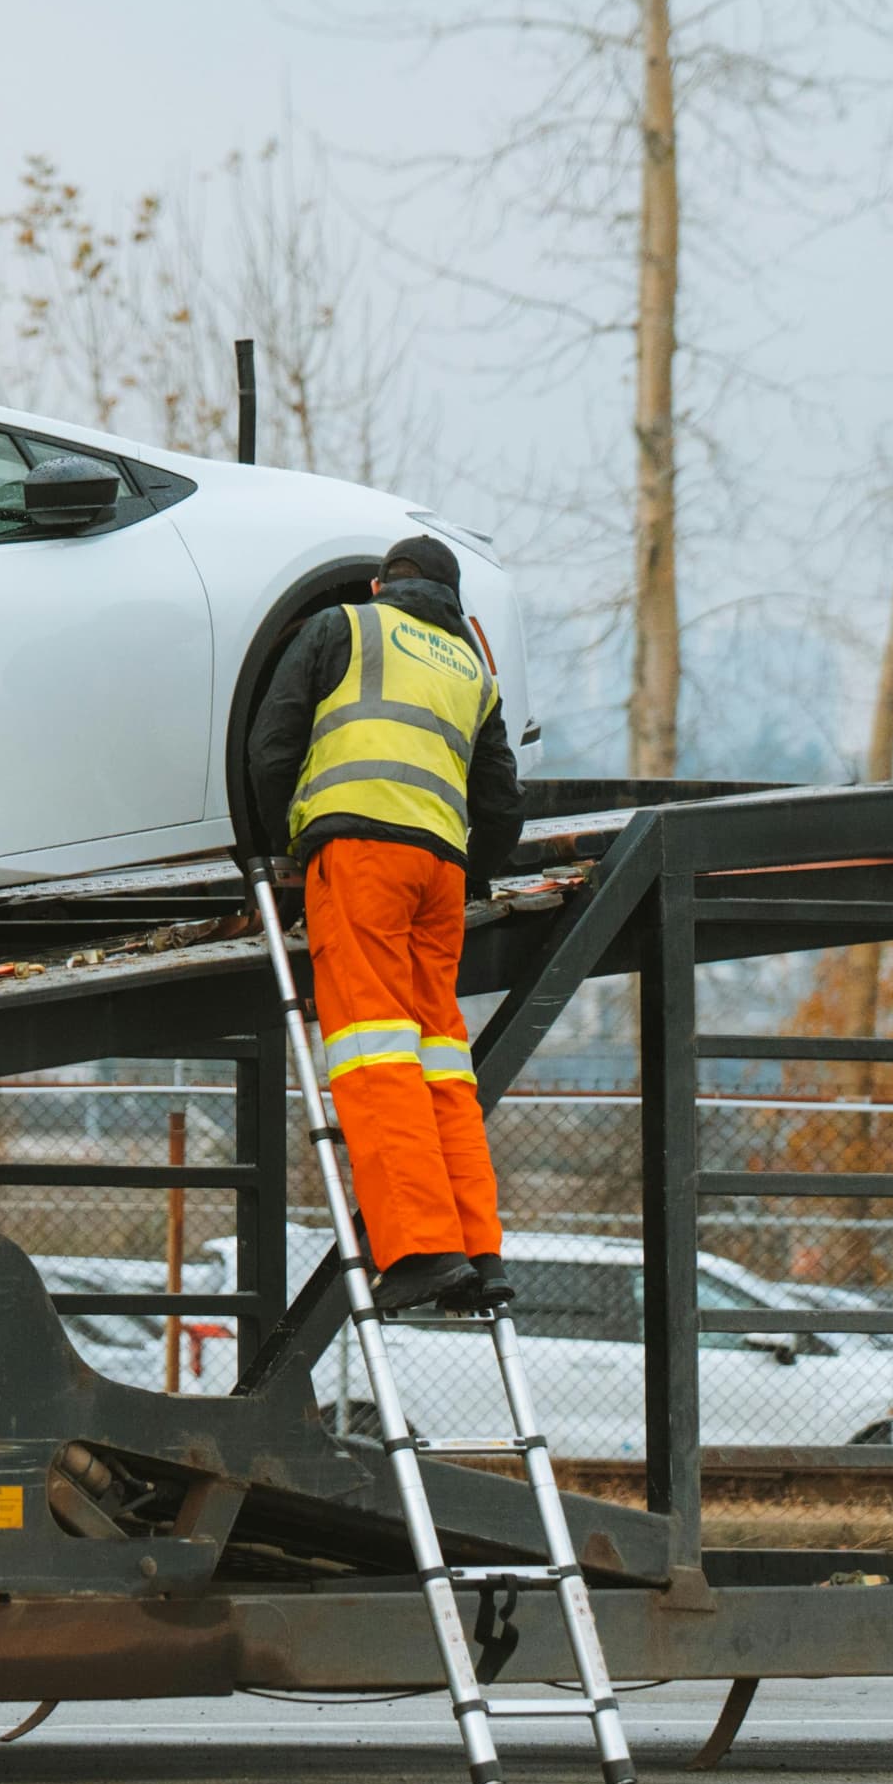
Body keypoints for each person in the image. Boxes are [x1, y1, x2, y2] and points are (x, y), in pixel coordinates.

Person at [242, 535, 525, 1318]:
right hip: (441, 875)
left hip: (362, 855)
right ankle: (479, 1251)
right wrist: (478, 872)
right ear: (453, 602)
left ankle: (420, 1251)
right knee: (440, 1059)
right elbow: (502, 806)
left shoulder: (345, 627)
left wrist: (282, 847)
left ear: (380, 583)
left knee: (373, 1052)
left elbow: (273, 747)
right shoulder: (475, 672)